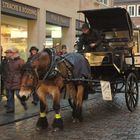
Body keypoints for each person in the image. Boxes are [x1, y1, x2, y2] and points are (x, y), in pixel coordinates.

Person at [4, 47, 26, 113]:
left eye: (9, 52)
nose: (7, 54)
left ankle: (23, 103)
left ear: (14, 53)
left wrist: (22, 79)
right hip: (9, 81)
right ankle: (11, 108)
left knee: (18, 95)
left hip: (17, 81)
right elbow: (7, 70)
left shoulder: (21, 61)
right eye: (7, 53)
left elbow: (24, 71)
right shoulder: (8, 61)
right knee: (10, 96)